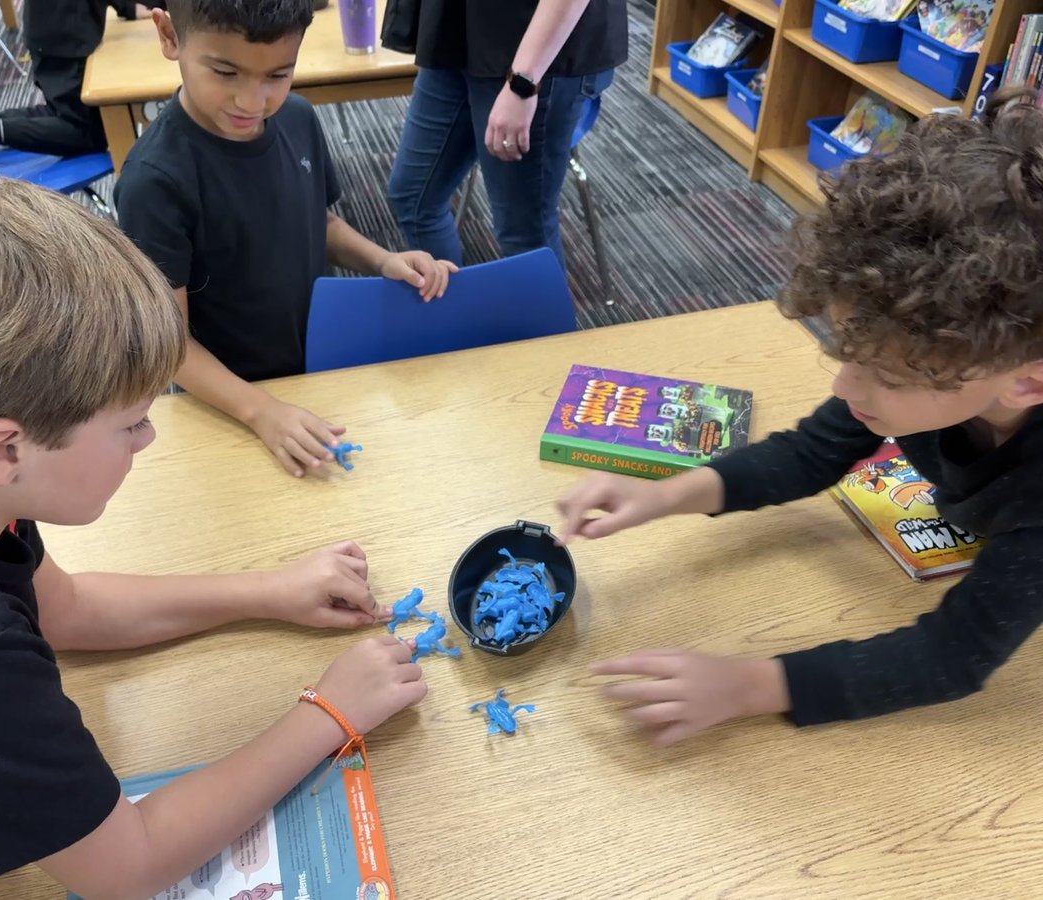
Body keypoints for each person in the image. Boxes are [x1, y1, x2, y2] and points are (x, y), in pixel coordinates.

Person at [0, 177, 428, 900]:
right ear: (3, 451)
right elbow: (127, 867)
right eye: (129, 425)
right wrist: (330, 714)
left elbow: (65, 611)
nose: (148, 438)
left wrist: (271, 590)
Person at [556, 94, 1043, 746]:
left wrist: (747, 686)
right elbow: (809, 453)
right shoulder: (945, 360)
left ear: (1026, 380)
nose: (845, 385)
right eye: (849, 355)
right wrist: (663, 495)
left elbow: (956, 655)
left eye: (888, 377)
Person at [114, 0, 457, 479]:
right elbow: (170, 347)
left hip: (322, 364)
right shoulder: (155, 181)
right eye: (225, 72)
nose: (252, 103)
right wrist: (261, 411)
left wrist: (384, 260)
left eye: (278, 75)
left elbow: (316, 220)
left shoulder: (297, 118)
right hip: (234, 399)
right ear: (170, 37)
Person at [386, 0, 628, 269]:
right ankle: (452, 309)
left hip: (534, 47)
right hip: (455, 33)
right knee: (414, 199)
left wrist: (523, 82)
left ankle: (542, 311)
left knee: (523, 233)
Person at [0, 1, 164, 157]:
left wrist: (128, 6)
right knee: (95, 131)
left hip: (54, 31)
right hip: (64, 38)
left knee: (66, 112)